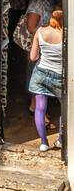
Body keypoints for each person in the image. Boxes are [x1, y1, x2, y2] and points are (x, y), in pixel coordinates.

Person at [29, 8, 64, 152]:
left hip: (40, 74)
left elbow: (33, 57)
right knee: (65, 109)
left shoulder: (39, 32)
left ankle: (43, 143)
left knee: (40, 108)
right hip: (59, 76)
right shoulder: (66, 35)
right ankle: (60, 140)